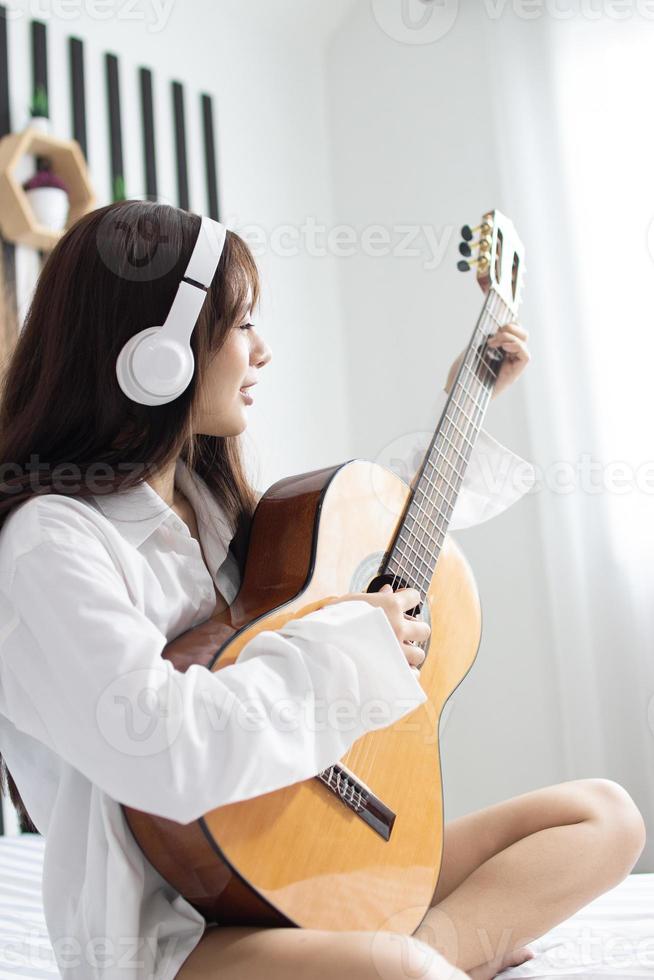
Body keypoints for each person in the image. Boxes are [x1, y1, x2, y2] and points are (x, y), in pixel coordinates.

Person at [0, 201, 644, 980]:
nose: (263, 351)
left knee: (605, 816)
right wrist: (351, 648)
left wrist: (461, 413)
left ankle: (416, 953)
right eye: (241, 325)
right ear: (158, 354)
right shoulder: (50, 544)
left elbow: (359, 556)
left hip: (295, 854)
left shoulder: (217, 512)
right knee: (401, 973)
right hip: (173, 932)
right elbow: (164, 746)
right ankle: (417, 959)